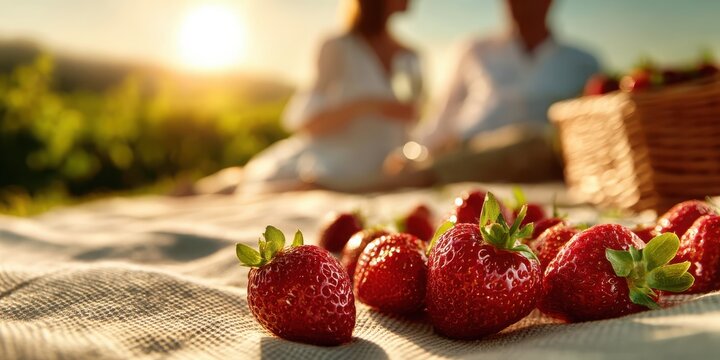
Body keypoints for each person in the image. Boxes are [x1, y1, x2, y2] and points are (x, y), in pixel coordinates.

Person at [240, 0, 421, 193]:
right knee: (249, 185)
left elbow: (411, 121)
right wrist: (368, 106)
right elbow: (307, 122)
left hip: (387, 170)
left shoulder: (410, 55)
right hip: (331, 163)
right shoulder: (337, 47)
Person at [417, 0, 600, 183]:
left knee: (533, 142)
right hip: (473, 152)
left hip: (547, 158)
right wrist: (417, 151)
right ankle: (419, 174)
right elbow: (444, 111)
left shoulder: (583, 62)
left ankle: (424, 176)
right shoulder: (475, 49)